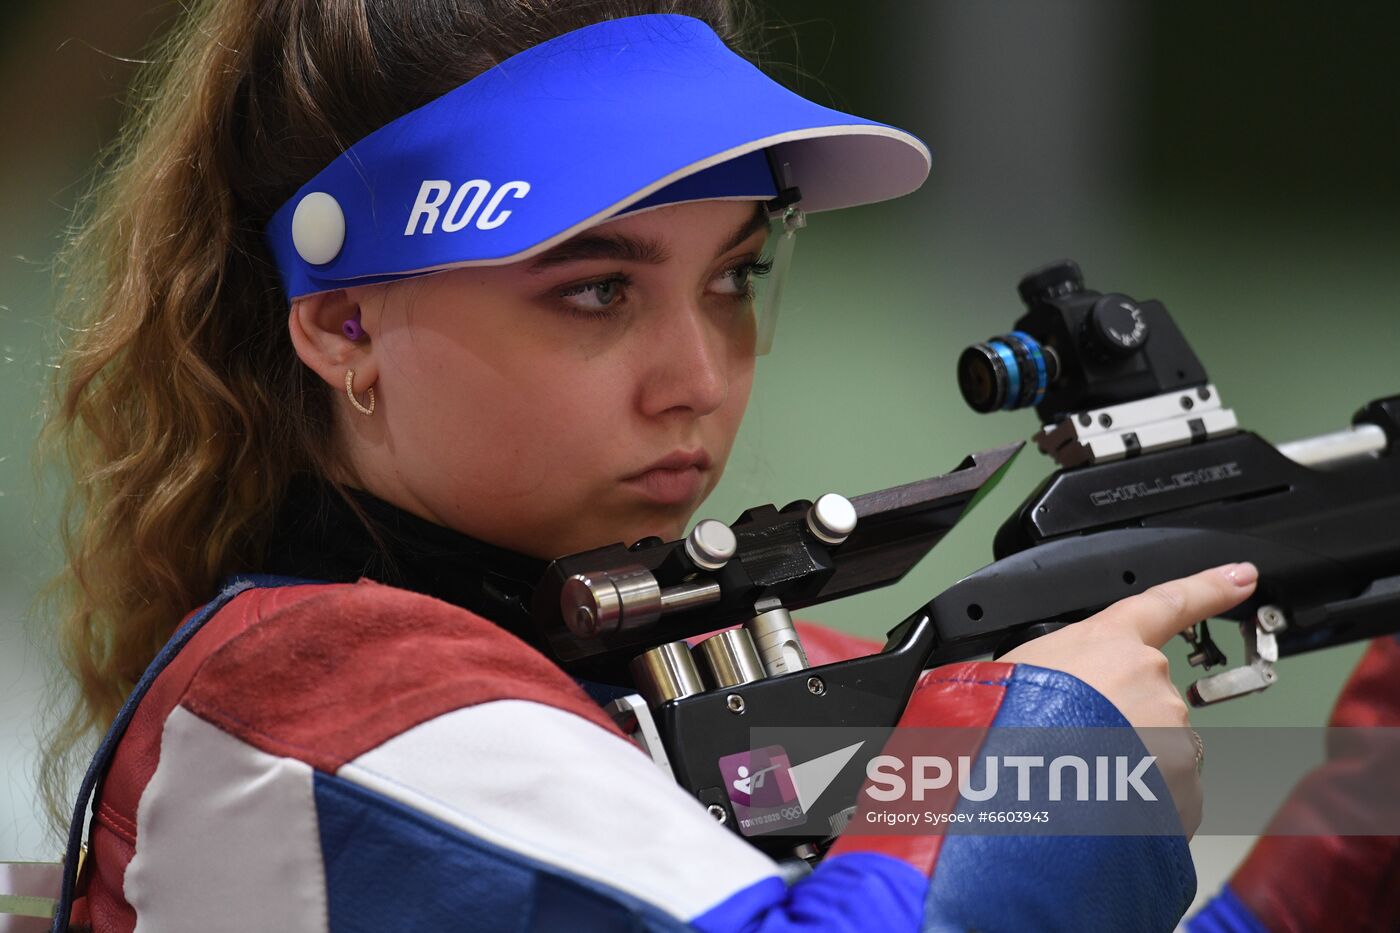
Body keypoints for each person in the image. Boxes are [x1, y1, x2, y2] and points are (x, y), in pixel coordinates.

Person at [35, 2, 1258, 930]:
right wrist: (1032, 754)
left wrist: (1328, 856)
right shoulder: (314, 698)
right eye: (598, 290)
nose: (698, 374)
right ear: (343, 324)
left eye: (733, 276)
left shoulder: (659, 660)